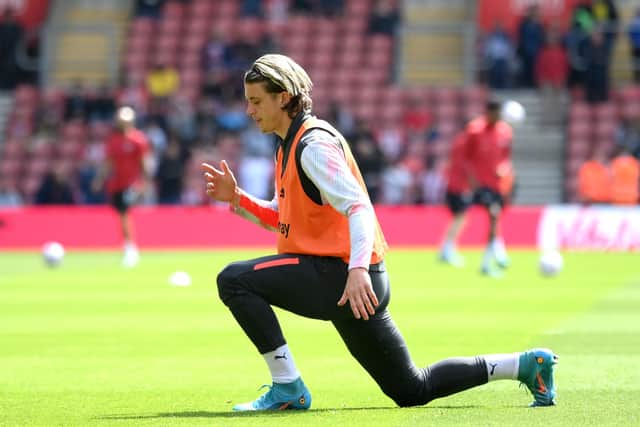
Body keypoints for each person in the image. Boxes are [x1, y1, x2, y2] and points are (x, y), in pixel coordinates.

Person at [201, 54, 558, 411]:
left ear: (283, 98)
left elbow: (358, 207)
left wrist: (356, 271)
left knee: (234, 280)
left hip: (343, 274)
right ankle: (525, 365)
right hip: (351, 276)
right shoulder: (291, 143)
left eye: (256, 100)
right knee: (411, 390)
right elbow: (287, 219)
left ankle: (286, 387)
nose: (249, 110)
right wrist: (238, 199)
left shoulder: (312, 146)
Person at [93, 106, 153, 268]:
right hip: (117, 184)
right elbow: (108, 163)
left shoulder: (138, 140)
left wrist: (147, 182)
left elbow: (144, 162)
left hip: (132, 184)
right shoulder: (114, 141)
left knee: (124, 211)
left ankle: (130, 248)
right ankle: (128, 245)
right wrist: (100, 179)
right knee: (121, 213)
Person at [463, 99, 513, 277]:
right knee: (494, 214)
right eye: (494, 114)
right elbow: (465, 157)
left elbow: (506, 157)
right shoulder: (475, 130)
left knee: (495, 218)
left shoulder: (505, 132)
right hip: (480, 183)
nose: (497, 118)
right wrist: (470, 180)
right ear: (488, 113)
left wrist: (504, 168)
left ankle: (491, 259)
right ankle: (496, 255)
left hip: (498, 184)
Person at [439, 131, 472, 267]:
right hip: (459, 186)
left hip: (453, 184)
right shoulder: (466, 145)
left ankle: (447, 248)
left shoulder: (459, 142)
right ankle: (447, 249)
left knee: (460, 218)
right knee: (460, 218)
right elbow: (466, 166)